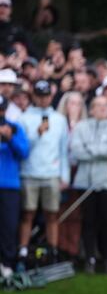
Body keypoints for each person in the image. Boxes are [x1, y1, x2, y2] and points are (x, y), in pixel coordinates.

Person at [17, 80, 69, 266]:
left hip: (51, 173)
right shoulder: (24, 118)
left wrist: (65, 176)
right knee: (27, 213)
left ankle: (52, 250)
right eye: (39, 96)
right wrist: (37, 134)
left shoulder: (59, 119)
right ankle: (23, 250)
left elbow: (63, 150)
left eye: (46, 96)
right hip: (29, 173)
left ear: (51, 96)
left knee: (52, 214)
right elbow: (22, 147)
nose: (43, 99)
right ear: (34, 96)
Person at [69, 96, 107, 274]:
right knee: (88, 222)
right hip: (85, 182)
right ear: (91, 110)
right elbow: (77, 151)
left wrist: (90, 148)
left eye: (105, 105)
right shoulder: (81, 127)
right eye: (97, 105)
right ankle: (89, 259)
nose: (102, 108)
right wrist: (100, 151)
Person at [0, 94, 29, 278]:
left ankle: (7, 263)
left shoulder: (15, 127)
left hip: (9, 185)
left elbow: (24, 152)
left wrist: (10, 138)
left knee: (9, 226)